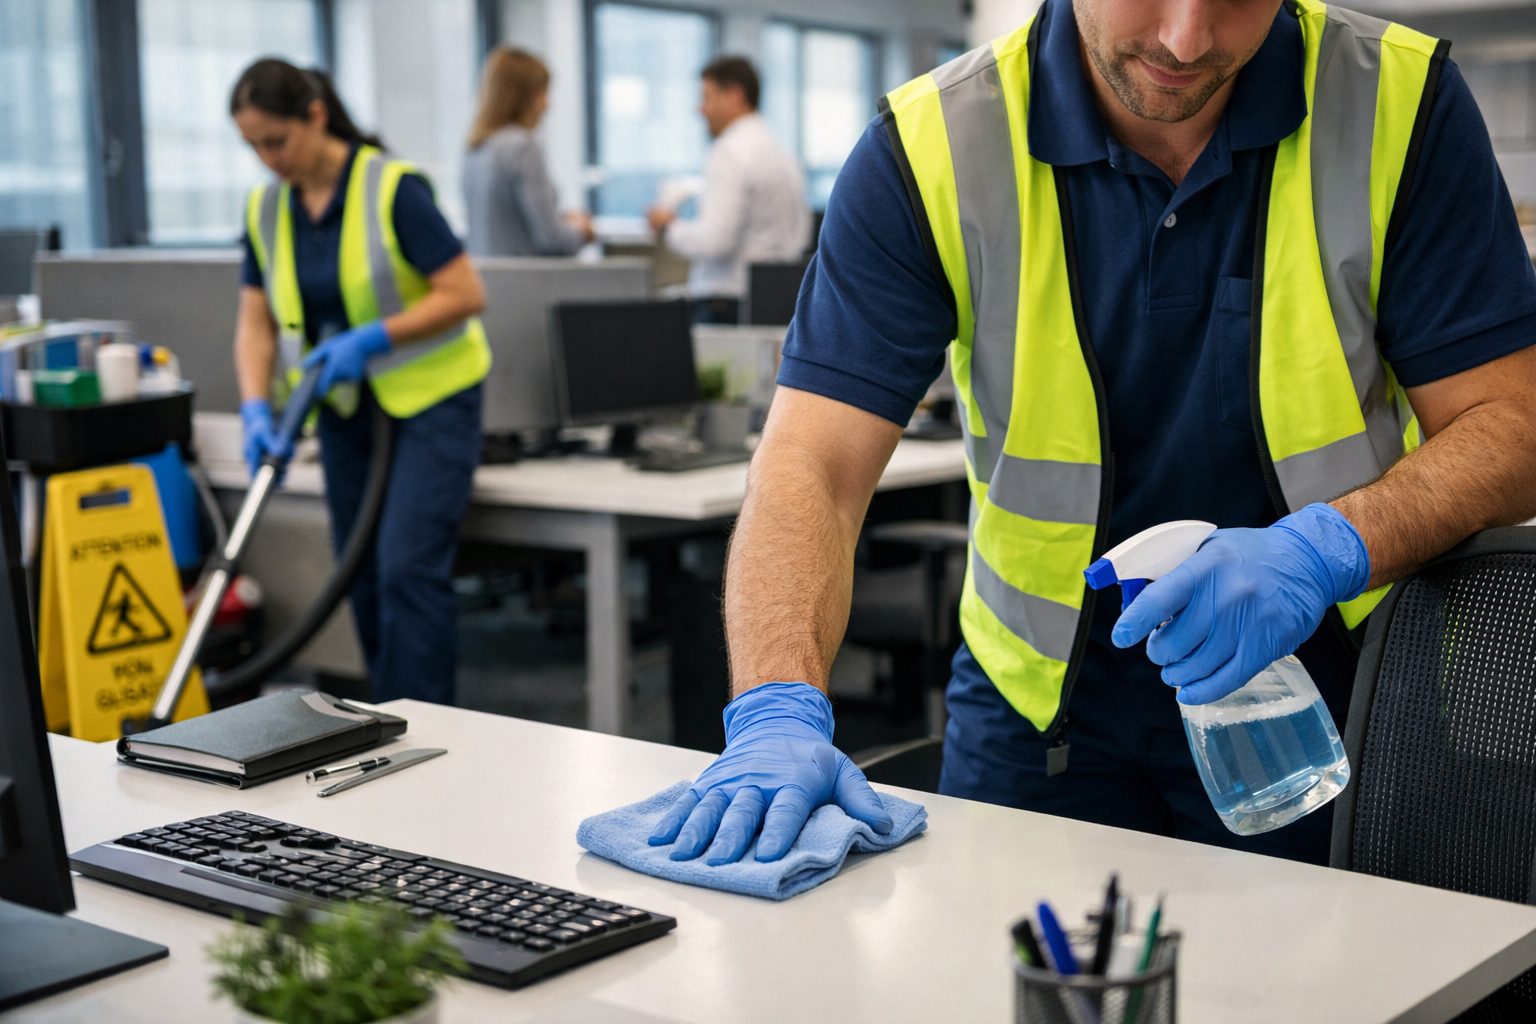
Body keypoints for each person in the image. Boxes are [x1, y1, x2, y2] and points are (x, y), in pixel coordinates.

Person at [643, 0, 1536, 868]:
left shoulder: (1397, 105)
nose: (1187, 38)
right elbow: (813, 462)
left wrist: (1328, 547)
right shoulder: (935, 145)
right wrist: (776, 705)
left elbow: (1514, 422)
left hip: (1326, 695)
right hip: (1039, 712)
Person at [230, 58, 491, 707]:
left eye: (276, 140)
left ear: (315, 116)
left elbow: (464, 291)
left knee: (406, 569)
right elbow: (254, 323)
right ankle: (385, 720)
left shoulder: (391, 187)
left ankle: (429, 733)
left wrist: (373, 338)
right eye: (254, 146)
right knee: (363, 576)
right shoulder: (266, 208)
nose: (268, 159)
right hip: (345, 409)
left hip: (432, 400)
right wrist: (256, 408)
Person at [646, 56, 810, 324]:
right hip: (778, 302)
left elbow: (716, 242)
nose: (701, 109)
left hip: (727, 305)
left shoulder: (728, 152)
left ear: (735, 96)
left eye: (708, 97)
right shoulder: (782, 153)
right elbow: (800, 233)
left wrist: (669, 227)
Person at [462, 47, 594, 257]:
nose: (546, 105)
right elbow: (551, 239)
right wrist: (583, 231)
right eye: (542, 93)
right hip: (528, 283)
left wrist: (559, 219)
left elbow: (503, 225)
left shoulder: (475, 149)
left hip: (488, 280)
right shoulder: (523, 147)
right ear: (522, 96)